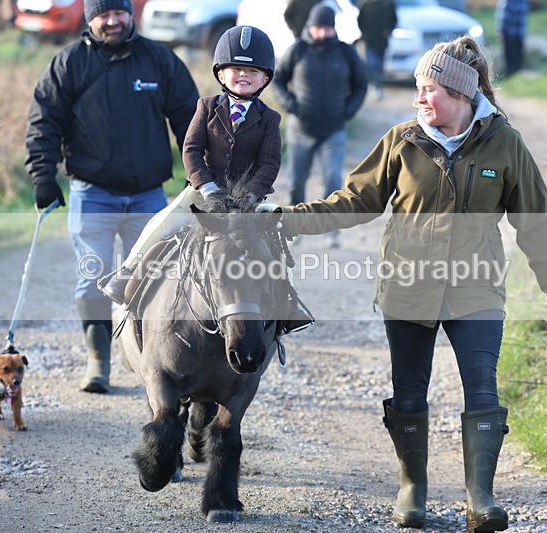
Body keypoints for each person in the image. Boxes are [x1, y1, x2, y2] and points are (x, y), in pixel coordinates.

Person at [263, 36, 547, 530]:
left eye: (429, 89)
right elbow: (353, 202)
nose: (420, 99)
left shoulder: (505, 143)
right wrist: (285, 218)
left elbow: (536, 225)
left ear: (460, 94)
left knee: (482, 389)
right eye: (418, 89)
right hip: (408, 286)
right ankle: (413, 489)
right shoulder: (402, 140)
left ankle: (482, 498)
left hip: (476, 289)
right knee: (409, 391)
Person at [25, 0, 199, 393]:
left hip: (149, 198)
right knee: (92, 280)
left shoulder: (160, 61)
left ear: (129, 14)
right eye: (102, 13)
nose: (112, 20)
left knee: (159, 282)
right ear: (90, 19)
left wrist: (199, 175)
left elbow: (190, 121)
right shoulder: (68, 65)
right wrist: (42, 175)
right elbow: (44, 121)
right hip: (92, 195)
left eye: (118, 11)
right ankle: (98, 361)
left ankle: (161, 362)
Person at [99, 25, 313, 335]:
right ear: (221, 74)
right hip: (202, 193)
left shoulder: (270, 119)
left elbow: (269, 163)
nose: (244, 75)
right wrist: (208, 188)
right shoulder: (206, 107)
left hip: (246, 202)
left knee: (271, 243)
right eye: (236, 69)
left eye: (252, 71)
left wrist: (249, 196)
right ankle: (128, 273)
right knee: (162, 224)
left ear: (265, 79)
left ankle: (286, 304)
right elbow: (191, 150)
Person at [272, 3, 367, 248]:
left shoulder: (346, 53)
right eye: (318, 28)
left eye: (327, 28)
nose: (323, 33)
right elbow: (278, 81)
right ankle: (294, 228)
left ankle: (331, 231)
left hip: (334, 131)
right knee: (295, 182)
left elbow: (361, 85)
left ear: (334, 28)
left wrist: (348, 111)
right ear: (310, 27)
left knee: (333, 181)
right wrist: (291, 105)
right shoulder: (297, 50)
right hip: (301, 130)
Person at [357, 0, 398, 100]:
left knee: (379, 65)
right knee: (372, 64)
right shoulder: (367, 5)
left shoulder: (387, 4)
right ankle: (373, 85)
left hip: (382, 41)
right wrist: (365, 35)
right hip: (370, 42)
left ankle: (378, 86)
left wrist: (388, 31)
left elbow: (394, 19)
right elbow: (360, 21)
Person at [496, 0, 529, 76]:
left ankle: (512, 73)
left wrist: (501, 30)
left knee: (511, 55)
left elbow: (503, 16)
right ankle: (515, 72)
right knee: (516, 54)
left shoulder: (507, 2)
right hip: (518, 32)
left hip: (511, 32)